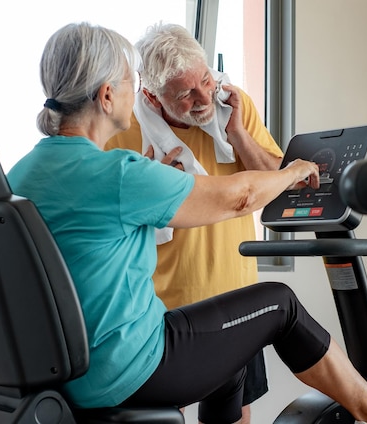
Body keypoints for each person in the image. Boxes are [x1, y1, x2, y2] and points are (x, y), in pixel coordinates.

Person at [6, 22, 367, 424]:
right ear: (106, 96)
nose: (132, 89)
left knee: (232, 348)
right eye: (127, 80)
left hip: (72, 367)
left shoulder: (20, 174)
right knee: (279, 303)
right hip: (130, 362)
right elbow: (241, 198)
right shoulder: (119, 169)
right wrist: (291, 172)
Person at [104, 23, 281, 422]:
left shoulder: (233, 108)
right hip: (162, 312)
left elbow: (276, 185)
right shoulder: (122, 131)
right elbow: (106, 226)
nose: (204, 98)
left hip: (235, 300)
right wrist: (145, 188)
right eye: (186, 94)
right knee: (163, 416)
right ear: (151, 95)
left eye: (205, 80)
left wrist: (239, 136)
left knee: (234, 417)